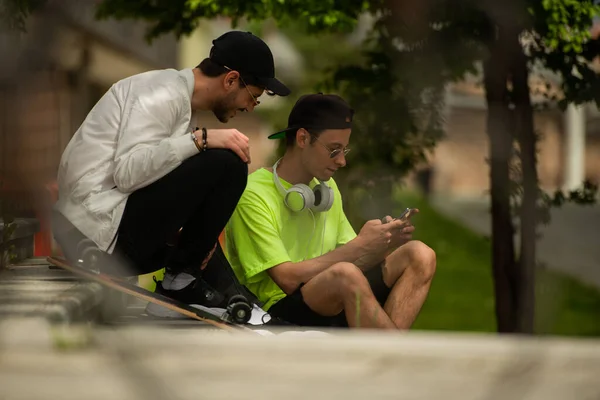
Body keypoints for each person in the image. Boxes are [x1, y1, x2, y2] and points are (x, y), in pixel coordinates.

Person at [52, 31, 290, 317]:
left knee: (203, 249)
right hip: (93, 233)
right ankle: (182, 284)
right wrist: (200, 139)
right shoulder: (160, 94)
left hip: (107, 227)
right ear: (230, 80)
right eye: (254, 96)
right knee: (228, 161)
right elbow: (128, 172)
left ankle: (241, 304)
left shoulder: (179, 102)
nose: (251, 107)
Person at [223, 93, 437, 329]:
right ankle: (394, 355)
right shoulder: (253, 194)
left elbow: (355, 261)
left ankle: (385, 349)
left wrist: (381, 244)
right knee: (344, 275)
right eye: (334, 150)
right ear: (303, 138)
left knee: (420, 254)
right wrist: (359, 246)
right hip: (275, 309)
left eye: (345, 150)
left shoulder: (325, 189)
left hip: (329, 294)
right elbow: (287, 279)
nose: (342, 161)